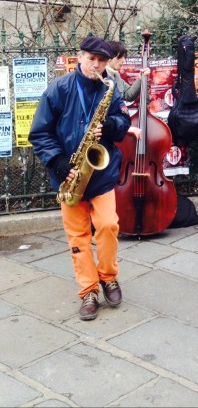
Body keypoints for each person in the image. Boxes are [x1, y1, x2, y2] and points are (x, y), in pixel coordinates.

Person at [29, 36, 131, 320]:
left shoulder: (110, 89)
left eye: (102, 61)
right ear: (79, 57)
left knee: (108, 225)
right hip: (69, 174)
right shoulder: (58, 89)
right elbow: (40, 134)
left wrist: (109, 126)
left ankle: (108, 276)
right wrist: (59, 163)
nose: (96, 65)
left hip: (101, 173)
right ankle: (88, 290)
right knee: (78, 237)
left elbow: (124, 122)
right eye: (91, 59)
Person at [107, 40, 151, 140]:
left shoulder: (115, 74)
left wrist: (140, 78)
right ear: (110, 57)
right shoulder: (103, 76)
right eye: (120, 57)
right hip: (110, 128)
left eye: (124, 57)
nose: (123, 61)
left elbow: (128, 95)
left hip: (119, 124)